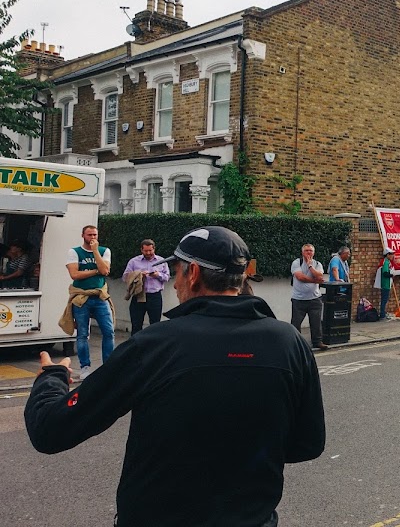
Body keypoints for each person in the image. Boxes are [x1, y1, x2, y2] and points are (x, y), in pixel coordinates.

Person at [25, 225, 325, 527]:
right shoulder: (290, 343)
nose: (176, 284)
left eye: (177, 272)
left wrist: (52, 377)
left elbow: (50, 429)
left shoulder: (155, 344)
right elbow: (308, 444)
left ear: (192, 273)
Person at [66, 225, 114, 381]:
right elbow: (75, 274)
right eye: (89, 235)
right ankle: (85, 367)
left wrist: (95, 251)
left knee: (108, 332)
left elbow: (105, 271)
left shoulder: (104, 251)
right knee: (82, 335)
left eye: (95, 235)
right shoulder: (74, 252)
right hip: (82, 298)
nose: (92, 237)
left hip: (100, 296)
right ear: (82, 235)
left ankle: (108, 366)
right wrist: (95, 271)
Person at [121, 239, 170, 335]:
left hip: (155, 296)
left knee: (155, 325)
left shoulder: (161, 261)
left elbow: (167, 277)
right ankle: (135, 348)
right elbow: (125, 277)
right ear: (141, 250)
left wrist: (157, 275)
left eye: (150, 250)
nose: (148, 253)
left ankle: (153, 348)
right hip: (138, 295)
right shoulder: (134, 261)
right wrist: (138, 275)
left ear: (154, 249)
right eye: (146, 251)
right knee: (136, 324)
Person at [290, 243, 328, 350]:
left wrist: (310, 266)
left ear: (314, 252)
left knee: (316, 323)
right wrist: (314, 281)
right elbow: (300, 277)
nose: (309, 253)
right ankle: (296, 343)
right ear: (302, 252)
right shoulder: (297, 262)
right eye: (306, 250)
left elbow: (320, 275)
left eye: (311, 251)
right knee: (296, 323)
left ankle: (317, 342)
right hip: (299, 299)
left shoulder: (317, 264)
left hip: (315, 299)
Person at [377, 248, 394, 319]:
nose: (392, 256)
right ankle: (382, 314)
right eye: (391, 254)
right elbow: (385, 273)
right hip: (385, 283)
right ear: (387, 255)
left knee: (385, 299)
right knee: (384, 299)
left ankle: (383, 313)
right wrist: (392, 274)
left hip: (387, 283)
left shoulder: (387, 262)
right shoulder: (386, 262)